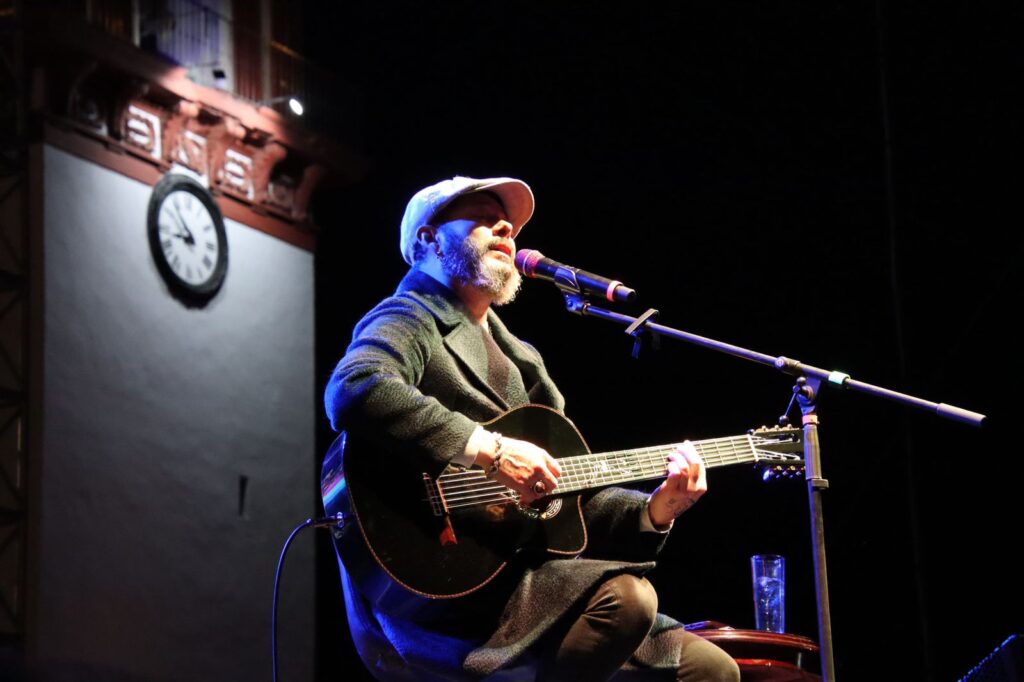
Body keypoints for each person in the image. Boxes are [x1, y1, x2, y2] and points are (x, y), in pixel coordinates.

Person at [324, 175, 740, 682]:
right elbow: (355, 386)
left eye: (509, 223)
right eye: (481, 217)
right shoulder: (410, 316)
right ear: (428, 241)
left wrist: (657, 509)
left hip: (522, 581)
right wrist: (490, 451)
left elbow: (567, 493)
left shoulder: (523, 359)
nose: (505, 226)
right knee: (628, 599)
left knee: (710, 671)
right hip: (444, 596)